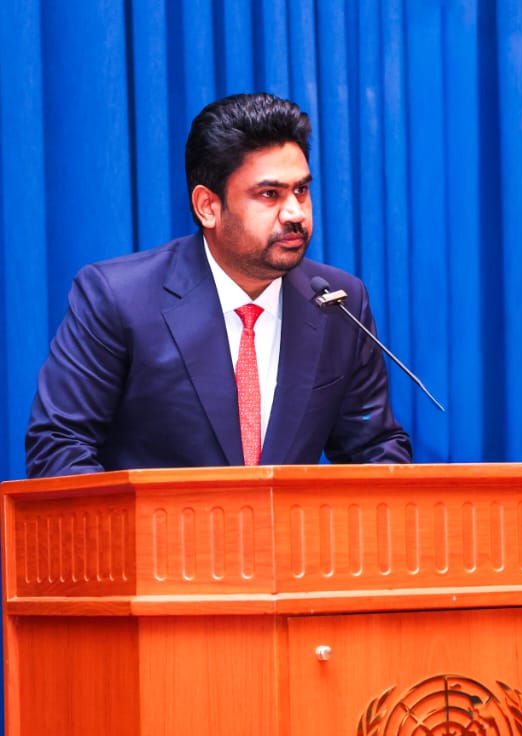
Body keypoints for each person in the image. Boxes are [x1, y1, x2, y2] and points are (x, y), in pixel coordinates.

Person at [26, 93, 411, 477]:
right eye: (269, 194)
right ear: (208, 207)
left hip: (289, 538)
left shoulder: (336, 303)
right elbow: (60, 444)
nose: (295, 213)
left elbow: (374, 448)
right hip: (156, 536)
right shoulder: (117, 298)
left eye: (301, 190)